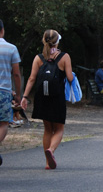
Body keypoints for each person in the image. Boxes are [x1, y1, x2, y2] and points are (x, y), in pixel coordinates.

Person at [21, 30, 73, 169]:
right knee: (59, 128)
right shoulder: (64, 57)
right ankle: (51, 150)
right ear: (57, 41)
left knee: (47, 129)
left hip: (42, 97)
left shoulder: (38, 58)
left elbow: (32, 78)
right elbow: (69, 78)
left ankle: (46, 161)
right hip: (57, 97)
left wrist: (24, 97)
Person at [0, 19, 22, 166]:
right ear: (2, 30)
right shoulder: (11, 48)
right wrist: (18, 94)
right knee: (3, 123)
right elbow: (16, 74)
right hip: (4, 90)